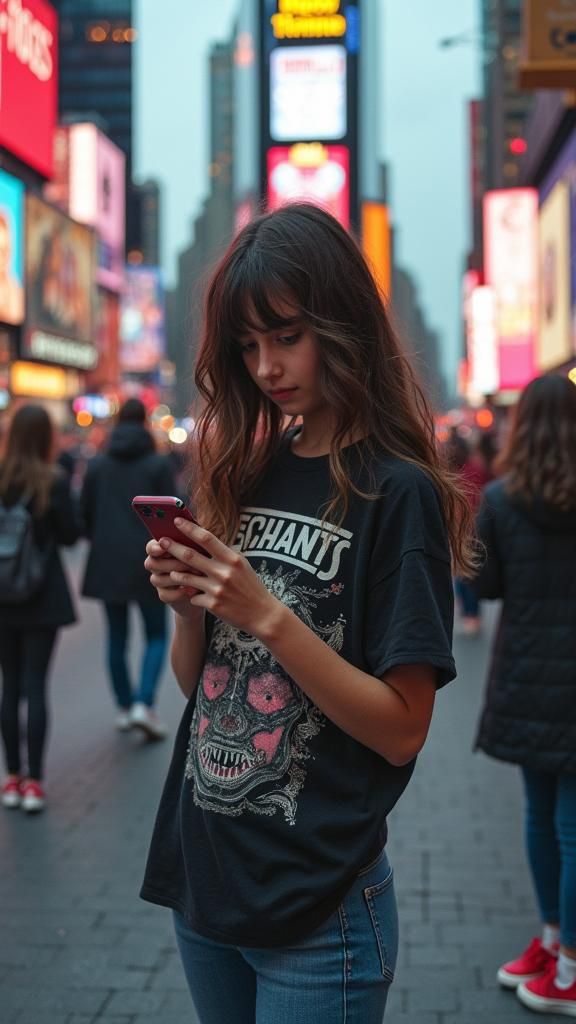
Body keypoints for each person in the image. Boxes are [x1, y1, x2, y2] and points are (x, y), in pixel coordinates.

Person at [139, 203, 476, 1023]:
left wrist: (265, 614)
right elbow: (201, 686)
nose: (266, 366)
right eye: (248, 345)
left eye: (286, 336)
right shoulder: (244, 473)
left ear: (341, 323)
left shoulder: (396, 493)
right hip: (206, 875)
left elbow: (403, 726)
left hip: (318, 902)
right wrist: (191, 610)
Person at [472, 374, 576, 1016]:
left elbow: (484, 589)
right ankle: (557, 947)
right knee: (566, 825)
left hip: (528, 676)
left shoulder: (504, 501)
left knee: (547, 819)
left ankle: (565, 963)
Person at [80, 398, 177, 739]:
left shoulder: (99, 464)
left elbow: (85, 516)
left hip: (107, 560)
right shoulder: (157, 464)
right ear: (145, 421)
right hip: (149, 559)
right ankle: (144, 703)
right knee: (156, 634)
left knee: (116, 637)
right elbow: (170, 516)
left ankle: (124, 706)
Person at [0, 404, 80, 813]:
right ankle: (34, 782)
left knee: (8, 686)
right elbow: (70, 535)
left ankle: (10, 777)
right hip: (41, 595)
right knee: (35, 686)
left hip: (2, 597)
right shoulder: (53, 480)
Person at [445, 429, 492, 636]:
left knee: (462, 570)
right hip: (474, 523)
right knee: (470, 569)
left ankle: (469, 612)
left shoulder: (449, 471)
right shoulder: (476, 467)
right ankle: (471, 612)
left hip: (460, 526)